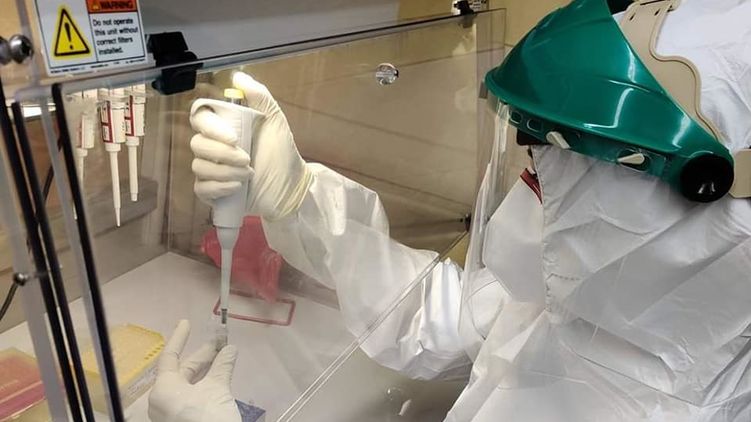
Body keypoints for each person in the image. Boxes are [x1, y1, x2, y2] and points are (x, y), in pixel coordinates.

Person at [148, 0, 751, 420]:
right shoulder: (605, 315)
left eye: (556, 170)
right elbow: (443, 318)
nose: (526, 193)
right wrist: (299, 199)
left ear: (708, 196)